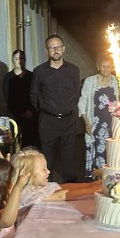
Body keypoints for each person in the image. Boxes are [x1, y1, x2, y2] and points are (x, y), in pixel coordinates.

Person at [30, 34, 81, 182]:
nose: (55, 50)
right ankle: (47, 189)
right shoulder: (39, 71)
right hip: (47, 121)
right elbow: (34, 95)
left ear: (63, 48)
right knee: (47, 159)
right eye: (51, 47)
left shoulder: (73, 70)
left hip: (68, 121)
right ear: (46, 51)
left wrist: (67, 108)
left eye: (58, 47)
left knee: (69, 158)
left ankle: (71, 189)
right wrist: (44, 111)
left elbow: (76, 93)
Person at [12, 148, 100, 208]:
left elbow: (60, 187)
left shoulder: (35, 186)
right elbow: (60, 195)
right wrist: (92, 190)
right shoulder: (27, 193)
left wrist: (90, 185)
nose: (48, 172)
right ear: (28, 174)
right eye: (44, 169)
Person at [78, 55, 119, 178]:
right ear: (98, 67)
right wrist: (87, 123)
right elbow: (82, 103)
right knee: (97, 153)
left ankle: (111, 180)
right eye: (103, 66)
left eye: (109, 66)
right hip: (95, 125)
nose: (106, 69)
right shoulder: (90, 81)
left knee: (112, 153)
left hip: (112, 126)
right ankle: (96, 180)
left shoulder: (118, 82)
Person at [2, 49, 39, 146]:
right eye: (16, 58)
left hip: (31, 114)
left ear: (25, 60)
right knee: (16, 144)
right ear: (12, 60)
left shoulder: (32, 76)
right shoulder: (8, 77)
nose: (19, 61)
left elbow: (36, 95)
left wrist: (31, 111)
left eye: (21, 58)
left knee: (32, 143)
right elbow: (7, 97)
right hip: (14, 115)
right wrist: (21, 112)